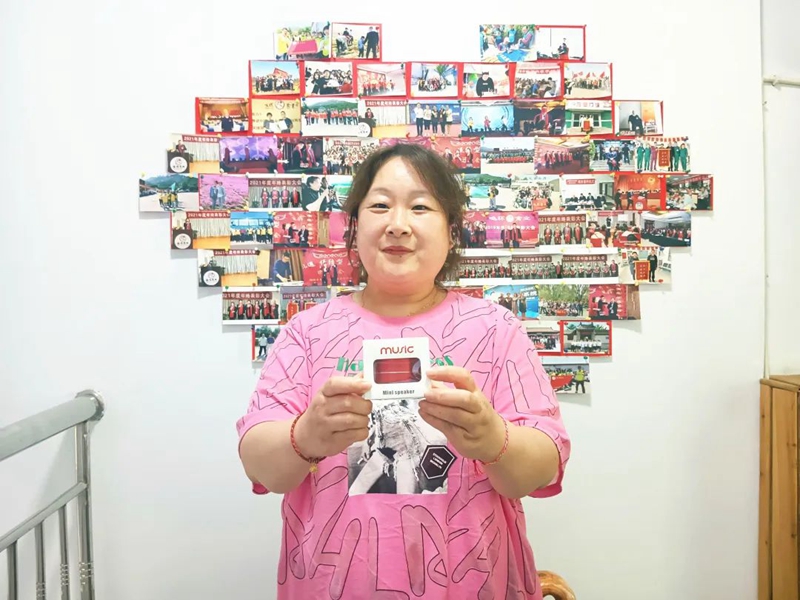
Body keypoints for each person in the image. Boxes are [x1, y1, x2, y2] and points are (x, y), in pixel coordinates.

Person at [236, 143, 570, 599]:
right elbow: (260, 465)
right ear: (354, 228)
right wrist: (306, 436)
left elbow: (540, 469)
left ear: (452, 231)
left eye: (420, 207)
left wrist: (493, 438)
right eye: (379, 206)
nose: (397, 224)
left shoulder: (496, 329)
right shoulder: (308, 331)